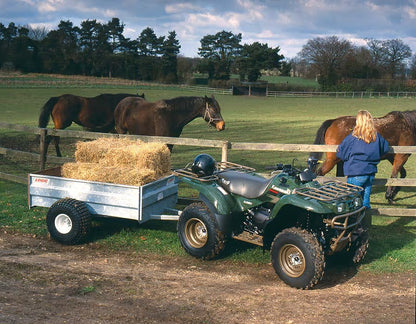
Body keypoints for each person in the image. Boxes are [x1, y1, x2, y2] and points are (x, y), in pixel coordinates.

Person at [336, 110, 390, 210]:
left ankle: (356, 224)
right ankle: (365, 222)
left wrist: (348, 158)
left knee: (353, 201)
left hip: (355, 172)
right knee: (365, 201)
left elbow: (341, 152)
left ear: (358, 121)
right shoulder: (376, 136)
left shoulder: (353, 137)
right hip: (370, 172)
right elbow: (385, 148)